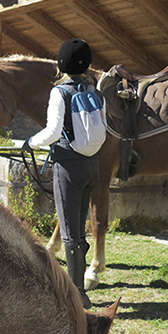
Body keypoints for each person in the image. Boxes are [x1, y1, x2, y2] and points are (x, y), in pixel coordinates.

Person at [22, 38, 102, 309]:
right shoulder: (93, 89)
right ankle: (79, 288)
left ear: (61, 64)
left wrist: (31, 142)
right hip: (92, 166)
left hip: (68, 166)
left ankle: (76, 294)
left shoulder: (60, 92)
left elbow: (53, 132)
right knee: (79, 229)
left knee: (69, 232)